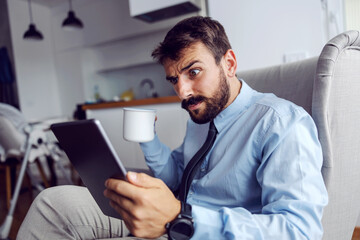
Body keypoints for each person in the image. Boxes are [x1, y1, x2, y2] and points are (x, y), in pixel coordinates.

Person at [17, 16, 328, 239]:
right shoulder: (201, 115)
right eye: (174, 79)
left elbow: (300, 231)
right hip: (172, 216)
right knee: (51, 204)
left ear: (229, 64)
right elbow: (177, 177)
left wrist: (184, 219)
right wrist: (148, 139)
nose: (183, 92)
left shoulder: (282, 124)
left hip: (195, 229)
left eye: (194, 72)